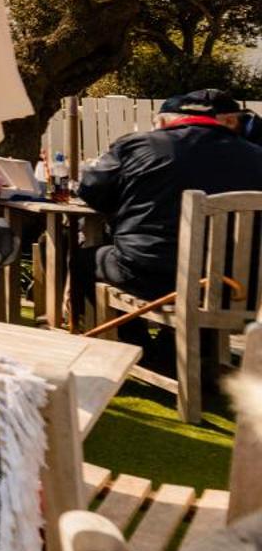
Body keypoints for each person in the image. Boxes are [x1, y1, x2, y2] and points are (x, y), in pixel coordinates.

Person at [74, 88, 262, 357]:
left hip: (155, 279)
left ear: (162, 121)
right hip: (241, 288)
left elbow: (91, 192)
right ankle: (182, 350)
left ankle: (134, 346)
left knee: (84, 261)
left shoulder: (137, 145)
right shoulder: (257, 155)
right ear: (232, 121)